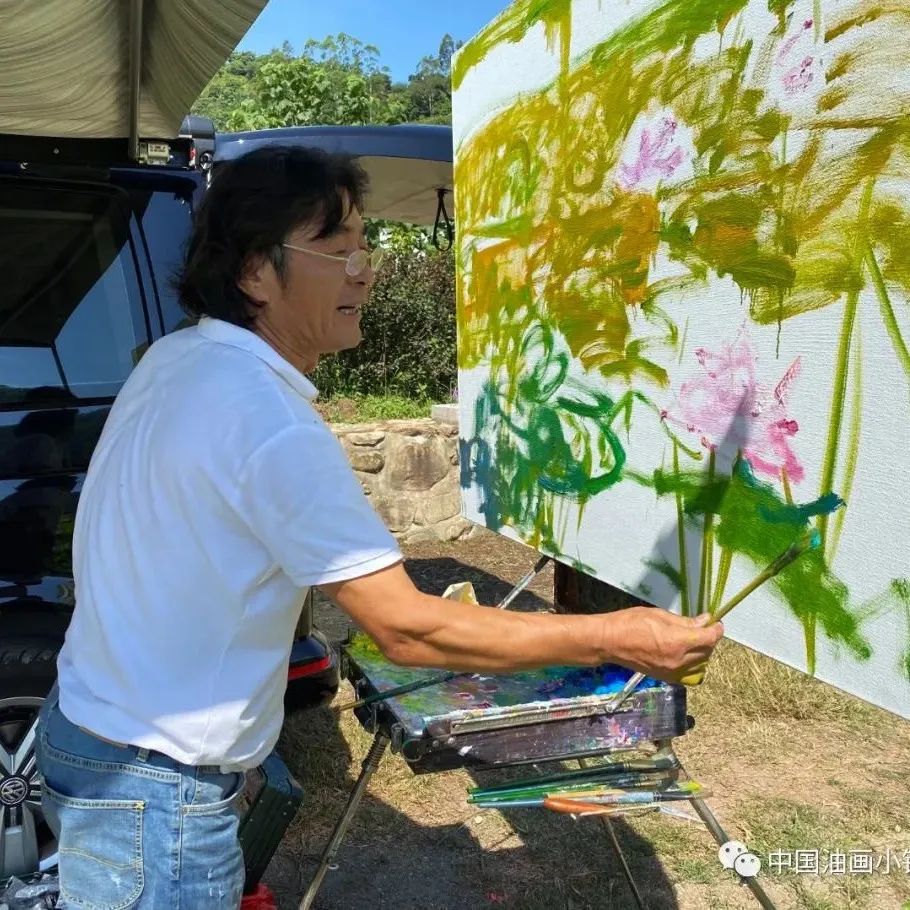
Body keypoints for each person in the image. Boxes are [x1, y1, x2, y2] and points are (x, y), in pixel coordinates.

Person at [35, 146, 723, 909]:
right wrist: (614, 636)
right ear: (254, 272)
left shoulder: (176, 356)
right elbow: (408, 631)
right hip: (152, 787)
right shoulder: (267, 419)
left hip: (90, 732)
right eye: (337, 250)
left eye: (365, 246)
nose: (365, 269)